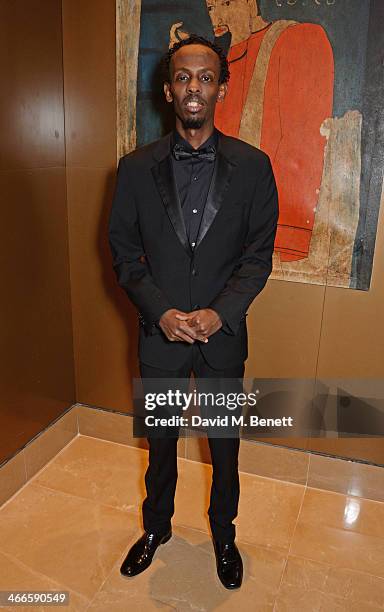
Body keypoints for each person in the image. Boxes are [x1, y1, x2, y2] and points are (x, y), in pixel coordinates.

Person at [108, 34, 278, 590]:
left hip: (223, 337)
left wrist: (217, 313)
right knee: (159, 446)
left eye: (205, 77)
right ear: (167, 89)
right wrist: (160, 313)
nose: (194, 88)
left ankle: (223, 535)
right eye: (183, 77)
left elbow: (257, 258)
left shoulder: (254, 167)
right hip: (158, 339)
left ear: (222, 88)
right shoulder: (133, 169)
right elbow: (124, 253)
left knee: (223, 447)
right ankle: (155, 529)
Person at [171, 0, 334, 262]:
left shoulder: (298, 39)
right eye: (211, 7)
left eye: (225, 2)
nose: (217, 15)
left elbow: (303, 147)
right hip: (215, 242)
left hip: (269, 235)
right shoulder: (219, 74)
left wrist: (286, 235)